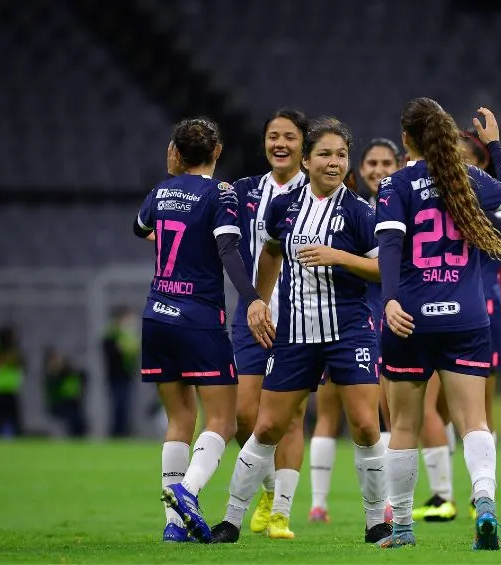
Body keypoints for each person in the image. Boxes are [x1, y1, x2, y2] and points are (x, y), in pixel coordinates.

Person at [209, 118, 392, 545]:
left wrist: (339, 257)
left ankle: (376, 523)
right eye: (325, 154)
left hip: (349, 332)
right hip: (294, 333)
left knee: (366, 426)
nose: (334, 162)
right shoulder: (282, 207)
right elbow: (271, 253)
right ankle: (231, 521)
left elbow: (386, 267)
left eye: (341, 155)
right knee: (266, 426)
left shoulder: (360, 213)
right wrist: (258, 301)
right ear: (306, 159)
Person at [375, 99, 501, 550]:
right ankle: (484, 504)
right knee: (473, 419)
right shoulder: (469, 179)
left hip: (411, 319)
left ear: (406, 139)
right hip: (467, 316)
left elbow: (389, 248)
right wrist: (494, 145)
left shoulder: (394, 184)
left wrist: (389, 302)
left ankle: (401, 528)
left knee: (403, 424)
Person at [133, 118, 263, 543]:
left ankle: (173, 529)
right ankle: (185, 493)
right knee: (223, 420)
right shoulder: (219, 194)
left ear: (175, 152)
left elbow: (140, 228)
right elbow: (228, 248)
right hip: (198, 319)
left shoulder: (160, 191)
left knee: (179, 420)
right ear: (218, 152)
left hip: (156, 316)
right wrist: (253, 296)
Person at [309, 138, 400, 524]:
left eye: (386, 163)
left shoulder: (402, 205)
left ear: (399, 166)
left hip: (393, 317)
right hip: (349, 319)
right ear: (359, 171)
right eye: (371, 163)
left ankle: (393, 501)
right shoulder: (350, 210)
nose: (378, 170)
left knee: (387, 413)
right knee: (330, 412)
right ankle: (318, 503)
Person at [230, 109, 309, 538]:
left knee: (290, 418)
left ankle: (280, 512)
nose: (280, 143)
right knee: (246, 415)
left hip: (299, 315)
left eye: (289, 137)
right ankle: (266, 489)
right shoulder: (244, 191)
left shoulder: (319, 191)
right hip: (252, 312)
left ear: (303, 143)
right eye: (273, 136)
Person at [102, 306, 138, 438]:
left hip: (126, 376)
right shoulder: (113, 334)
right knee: (119, 406)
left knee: (124, 406)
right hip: (117, 376)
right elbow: (114, 350)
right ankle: (118, 433)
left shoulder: (124, 334)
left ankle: (123, 432)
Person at [0, 325, 25, 438]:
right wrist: (4, 359)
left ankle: (19, 443)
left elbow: (21, 362)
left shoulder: (15, 350)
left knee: (16, 422)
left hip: (11, 390)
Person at [43, 347, 87, 438]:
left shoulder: (71, 372)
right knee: (72, 421)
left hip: (73, 402)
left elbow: (83, 376)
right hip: (61, 404)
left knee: (79, 423)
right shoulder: (53, 375)